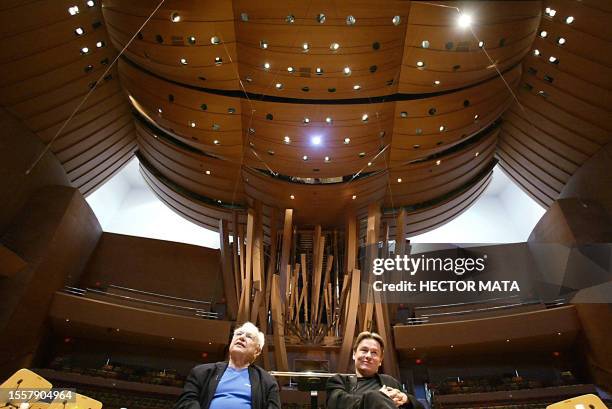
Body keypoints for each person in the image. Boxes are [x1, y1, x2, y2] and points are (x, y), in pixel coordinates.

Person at [174, 322, 280, 409]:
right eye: (238, 334)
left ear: (257, 351)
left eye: (249, 337)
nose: (242, 337)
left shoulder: (268, 382)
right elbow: (186, 402)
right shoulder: (201, 372)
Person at [327, 331, 424, 409]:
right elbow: (337, 403)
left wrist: (406, 399)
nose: (368, 356)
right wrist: (379, 397)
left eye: (374, 353)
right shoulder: (339, 381)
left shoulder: (390, 382)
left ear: (380, 360)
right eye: (364, 350)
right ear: (354, 354)